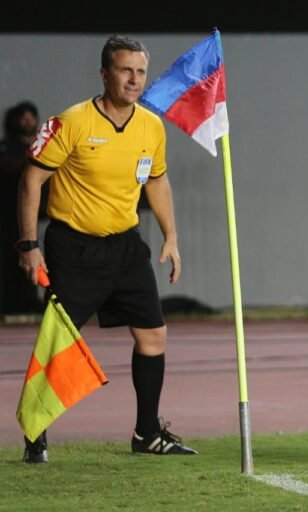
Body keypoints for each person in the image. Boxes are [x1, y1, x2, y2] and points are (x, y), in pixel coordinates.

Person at [16, 35, 197, 463]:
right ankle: (35, 434)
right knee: (57, 342)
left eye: (140, 72)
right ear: (104, 74)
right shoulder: (72, 122)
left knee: (154, 335)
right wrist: (28, 245)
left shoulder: (151, 126)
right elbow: (30, 181)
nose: (134, 80)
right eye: (125, 70)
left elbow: (156, 179)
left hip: (124, 248)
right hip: (73, 249)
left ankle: (147, 433)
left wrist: (171, 235)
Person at [0, 101, 43, 315]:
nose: (28, 121)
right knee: (9, 257)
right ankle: (9, 302)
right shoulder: (6, 148)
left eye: (31, 116)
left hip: (36, 215)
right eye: (23, 117)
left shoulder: (42, 146)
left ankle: (29, 299)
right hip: (7, 215)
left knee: (34, 254)